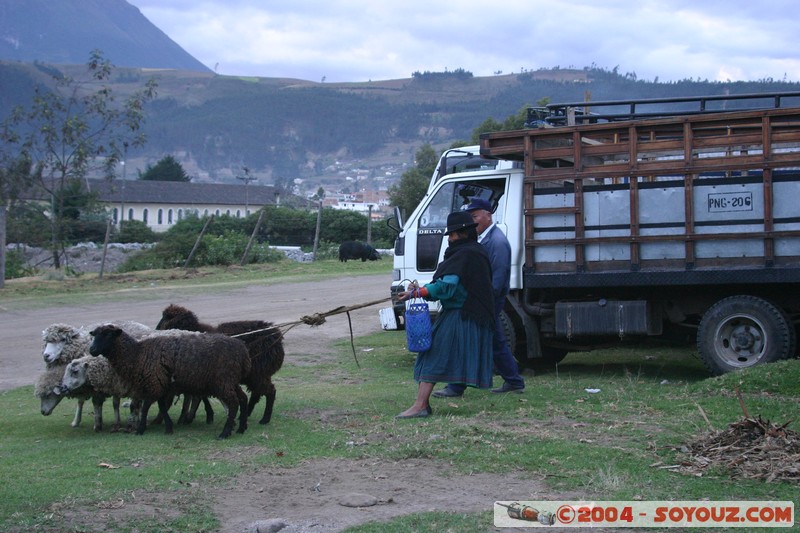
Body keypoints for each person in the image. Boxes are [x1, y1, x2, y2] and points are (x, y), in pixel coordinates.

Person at [395, 210, 496, 419]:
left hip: (461, 314)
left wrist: (420, 292)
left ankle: (421, 405)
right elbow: (448, 285)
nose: (449, 239)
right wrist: (421, 290)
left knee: (432, 356)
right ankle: (425, 402)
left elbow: (447, 287)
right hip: (468, 313)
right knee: (443, 355)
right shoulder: (475, 251)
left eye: (452, 235)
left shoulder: (465, 254)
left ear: (462, 233)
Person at [432, 197, 526, 398]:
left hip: (487, 298)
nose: (473, 223)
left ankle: (458, 386)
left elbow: (498, 276)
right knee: (492, 340)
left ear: (488, 215)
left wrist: (485, 300)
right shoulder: (487, 239)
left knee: (474, 338)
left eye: (475, 217)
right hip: (485, 298)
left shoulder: (497, 241)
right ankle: (512, 380)